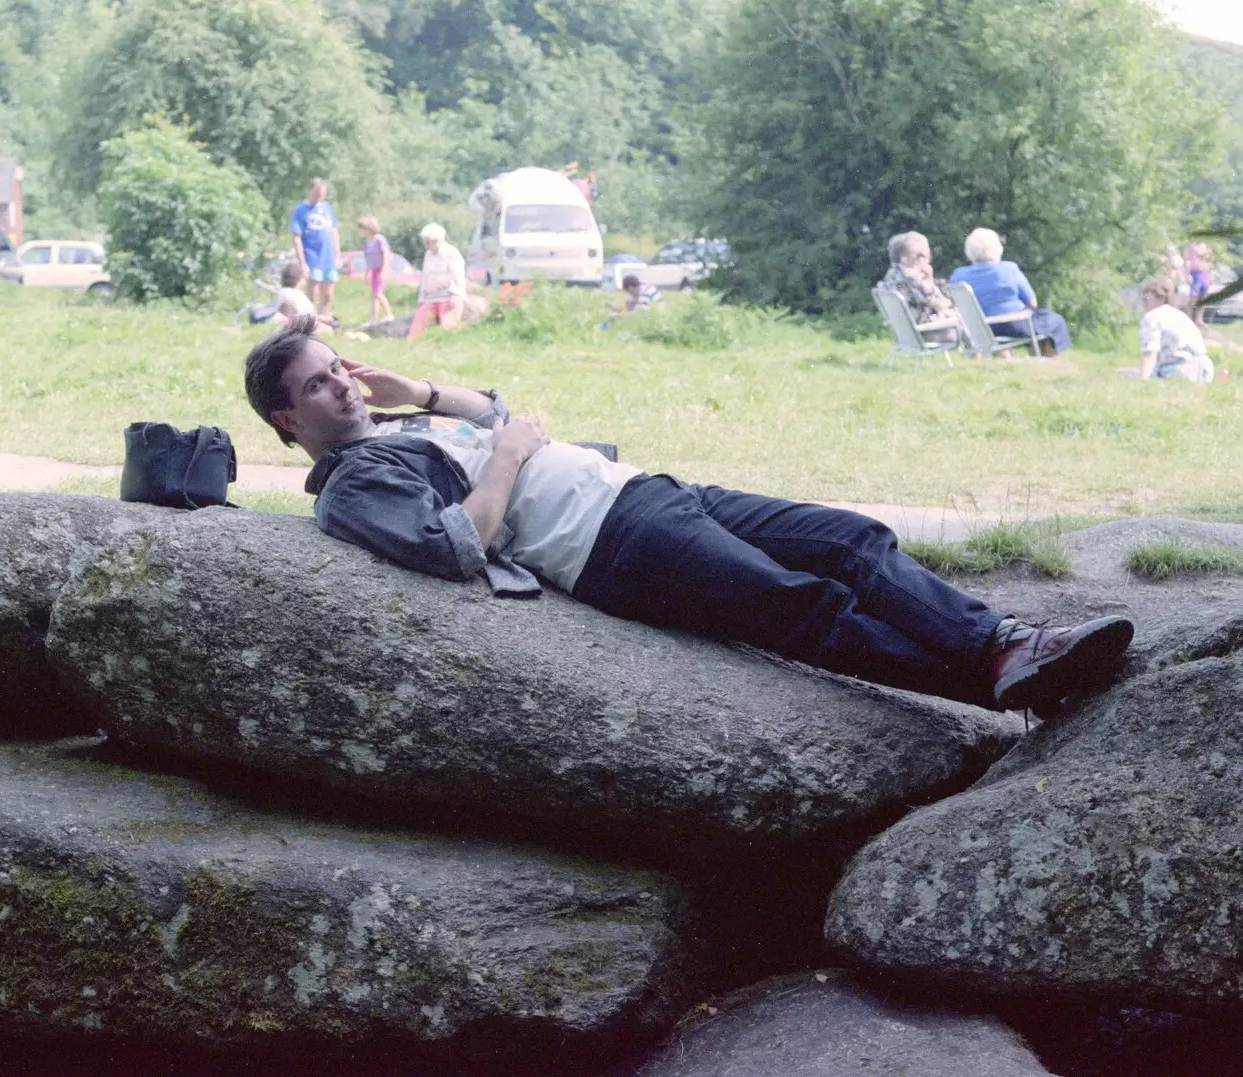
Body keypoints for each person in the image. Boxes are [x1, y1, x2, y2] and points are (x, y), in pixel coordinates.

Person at [242, 315, 1135, 716]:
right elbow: (454, 545)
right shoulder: (354, 487)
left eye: (340, 368)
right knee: (807, 606)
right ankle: (991, 691)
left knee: (850, 540)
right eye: (317, 385)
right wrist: (510, 452)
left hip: (649, 495)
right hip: (613, 543)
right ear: (288, 421)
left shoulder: (393, 425)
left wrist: (426, 389)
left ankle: (1007, 644)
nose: (342, 387)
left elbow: (499, 410)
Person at [949, 228, 1071, 355]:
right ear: (996, 249)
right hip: (1014, 325)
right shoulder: (1008, 269)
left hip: (981, 329)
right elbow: (1032, 302)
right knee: (1054, 321)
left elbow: (955, 306)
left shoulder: (958, 275)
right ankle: (1046, 362)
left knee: (1038, 324)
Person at [878, 232, 958, 344]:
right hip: (924, 333)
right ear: (903, 258)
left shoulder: (892, 275)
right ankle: (978, 352)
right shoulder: (911, 279)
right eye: (920, 255)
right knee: (963, 312)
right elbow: (936, 304)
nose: (926, 259)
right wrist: (954, 302)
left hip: (905, 334)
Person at [1136, 278, 1214, 384]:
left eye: (1146, 299)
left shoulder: (1152, 317)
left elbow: (1150, 353)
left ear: (1161, 299)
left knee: (1127, 375)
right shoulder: (1180, 315)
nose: (1143, 304)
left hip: (1179, 370)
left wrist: (1142, 382)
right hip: (1205, 369)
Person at [408, 222, 467, 341]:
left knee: (446, 332)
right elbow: (425, 278)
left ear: (436, 240)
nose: (425, 244)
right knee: (415, 332)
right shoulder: (428, 255)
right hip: (431, 298)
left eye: (427, 241)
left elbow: (457, 275)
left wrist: (455, 295)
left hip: (448, 296)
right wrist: (421, 299)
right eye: (424, 241)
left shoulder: (451, 253)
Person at [291, 178, 340, 318]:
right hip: (312, 257)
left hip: (328, 257)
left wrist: (337, 254)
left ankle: (324, 318)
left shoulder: (326, 208)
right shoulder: (300, 210)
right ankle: (310, 321)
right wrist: (302, 262)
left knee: (328, 294)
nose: (319, 198)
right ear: (310, 191)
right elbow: (296, 237)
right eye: (317, 194)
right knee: (312, 294)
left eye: (322, 195)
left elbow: (334, 231)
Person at [358, 214, 395, 324]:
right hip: (373, 270)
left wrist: (385, 270)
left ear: (368, 228)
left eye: (362, 228)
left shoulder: (379, 239)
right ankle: (374, 319)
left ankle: (389, 314)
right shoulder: (366, 243)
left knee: (378, 293)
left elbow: (386, 255)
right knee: (374, 295)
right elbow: (368, 259)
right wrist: (367, 273)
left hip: (381, 269)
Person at [1185, 242, 1215, 326]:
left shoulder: (1205, 245)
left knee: (1204, 297)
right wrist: (1188, 274)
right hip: (1195, 273)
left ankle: (1199, 319)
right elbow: (1187, 260)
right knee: (1193, 296)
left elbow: (1210, 260)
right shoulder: (1191, 245)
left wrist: (1212, 274)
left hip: (1205, 273)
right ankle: (1188, 317)